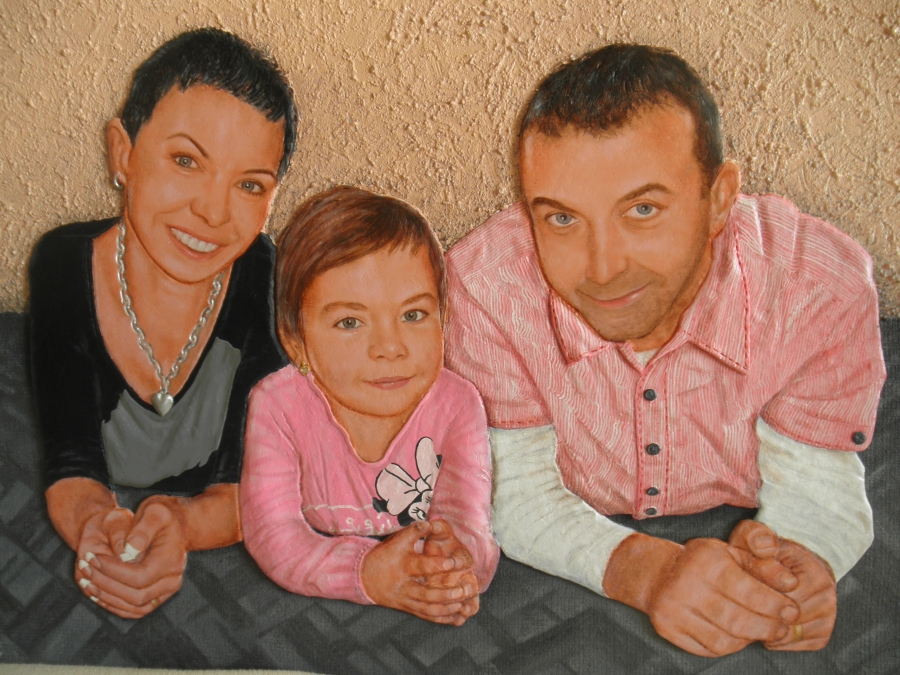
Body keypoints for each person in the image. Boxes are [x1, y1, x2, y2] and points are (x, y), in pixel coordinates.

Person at [444, 44, 885, 656]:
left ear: (720, 197)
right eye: (562, 220)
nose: (603, 269)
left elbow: (819, 485)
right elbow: (512, 492)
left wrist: (793, 566)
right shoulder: (484, 285)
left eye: (643, 209)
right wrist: (648, 574)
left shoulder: (819, 286)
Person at [29, 28, 297, 619]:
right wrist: (98, 527)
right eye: (185, 161)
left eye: (249, 185)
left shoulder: (262, 274)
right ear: (122, 153)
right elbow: (69, 460)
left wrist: (180, 524)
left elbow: (252, 482)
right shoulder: (63, 265)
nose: (212, 211)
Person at [240, 186, 499, 625]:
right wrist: (366, 574)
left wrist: (454, 563)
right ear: (296, 341)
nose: (390, 347)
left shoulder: (457, 405)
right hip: (316, 618)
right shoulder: (278, 405)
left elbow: (470, 522)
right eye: (350, 322)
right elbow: (273, 535)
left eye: (413, 315)